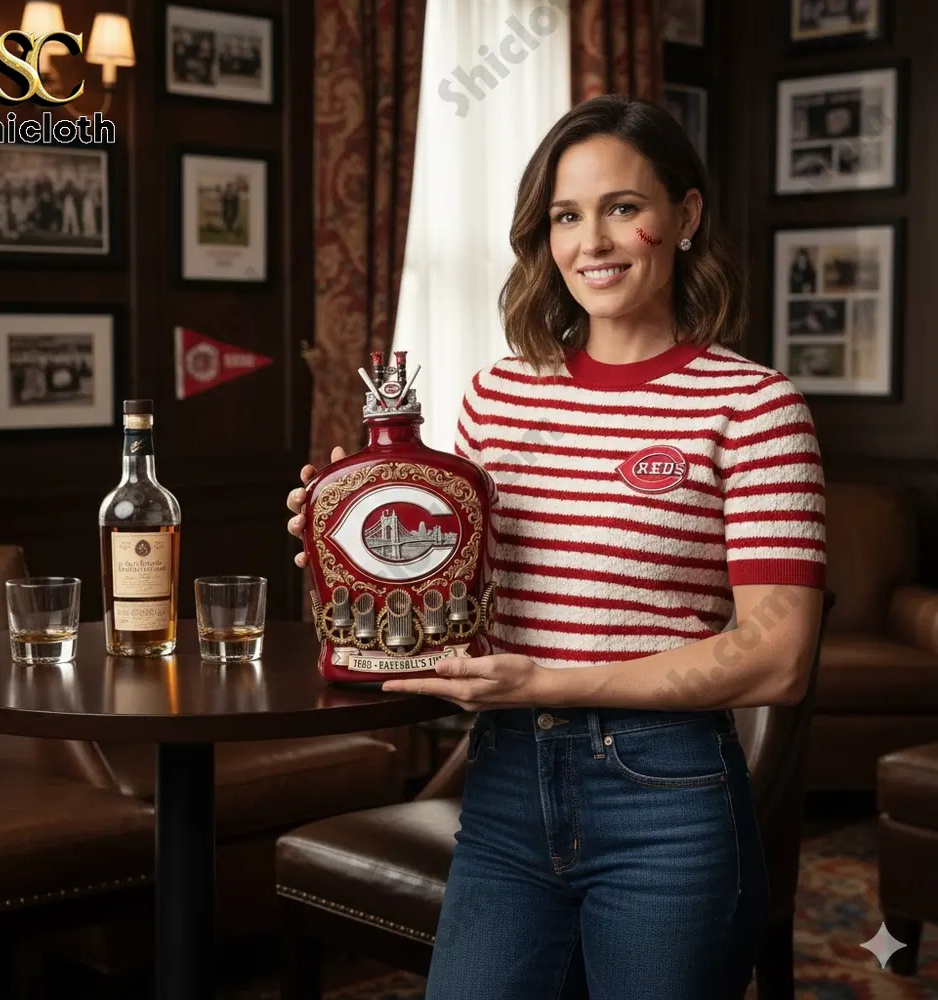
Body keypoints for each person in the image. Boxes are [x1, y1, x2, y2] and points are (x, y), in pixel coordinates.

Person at [285, 95, 826, 1000]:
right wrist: (358, 547)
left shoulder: (756, 408)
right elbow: (459, 582)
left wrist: (549, 684)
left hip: (668, 800)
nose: (593, 243)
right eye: (566, 217)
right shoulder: (498, 396)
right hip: (504, 790)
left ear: (683, 217)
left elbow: (778, 658)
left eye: (623, 207)